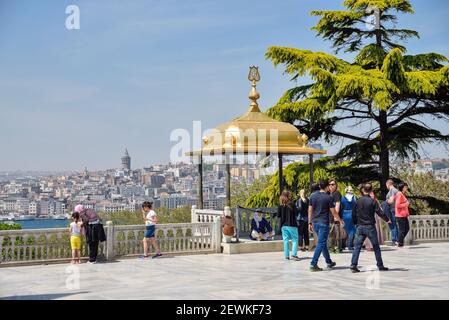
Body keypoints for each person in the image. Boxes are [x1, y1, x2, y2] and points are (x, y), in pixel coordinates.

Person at [350, 183, 391, 273]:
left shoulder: (358, 201)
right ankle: (380, 265)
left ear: (363, 190)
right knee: (376, 247)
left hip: (360, 227)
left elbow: (353, 214)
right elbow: (380, 212)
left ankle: (353, 265)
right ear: (371, 191)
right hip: (370, 227)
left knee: (357, 247)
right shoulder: (373, 201)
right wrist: (387, 219)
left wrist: (355, 223)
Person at [308, 180, 344, 272]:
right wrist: (339, 220)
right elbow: (333, 212)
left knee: (322, 242)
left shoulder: (312, 196)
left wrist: (309, 222)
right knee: (321, 243)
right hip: (323, 223)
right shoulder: (328, 198)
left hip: (315, 222)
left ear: (320, 186)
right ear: (327, 187)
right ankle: (313, 264)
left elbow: (310, 210)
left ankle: (329, 261)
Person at [277, 190, 300, 261]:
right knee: (295, 240)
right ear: (288, 196)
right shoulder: (292, 204)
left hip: (283, 226)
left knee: (286, 240)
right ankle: (294, 255)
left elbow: (278, 215)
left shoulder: (280, 206)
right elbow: (296, 213)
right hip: (292, 224)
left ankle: (286, 256)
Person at [328, 179, 344, 253]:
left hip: (335, 217)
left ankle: (337, 248)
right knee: (332, 233)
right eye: (330, 184)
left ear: (336, 185)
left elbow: (337, 205)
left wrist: (336, 217)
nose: (331, 186)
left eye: (333, 184)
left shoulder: (336, 193)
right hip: (330, 217)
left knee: (336, 233)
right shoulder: (329, 194)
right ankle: (332, 248)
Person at [341, 186, 356, 250]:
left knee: (344, 229)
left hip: (344, 214)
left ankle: (343, 245)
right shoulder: (354, 198)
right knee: (352, 230)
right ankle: (350, 245)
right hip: (352, 214)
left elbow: (341, 207)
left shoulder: (342, 198)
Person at [395, 182, 411, 248]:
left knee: (406, 228)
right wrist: (406, 204)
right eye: (405, 187)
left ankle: (399, 241)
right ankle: (400, 243)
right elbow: (397, 205)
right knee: (402, 229)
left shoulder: (401, 194)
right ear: (402, 187)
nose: (406, 188)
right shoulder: (399, 194)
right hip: (400, 215)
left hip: (403, 215)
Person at [386, 179, 399, 245]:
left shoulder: (392, 191)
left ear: (388, 184)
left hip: (392, 209)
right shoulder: (396, 190)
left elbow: (391, 201)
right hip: (395, 209)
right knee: (394, 225)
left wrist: (385, 202)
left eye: (386, 185)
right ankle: (397, 240)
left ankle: (395, 240)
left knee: (392, 225)